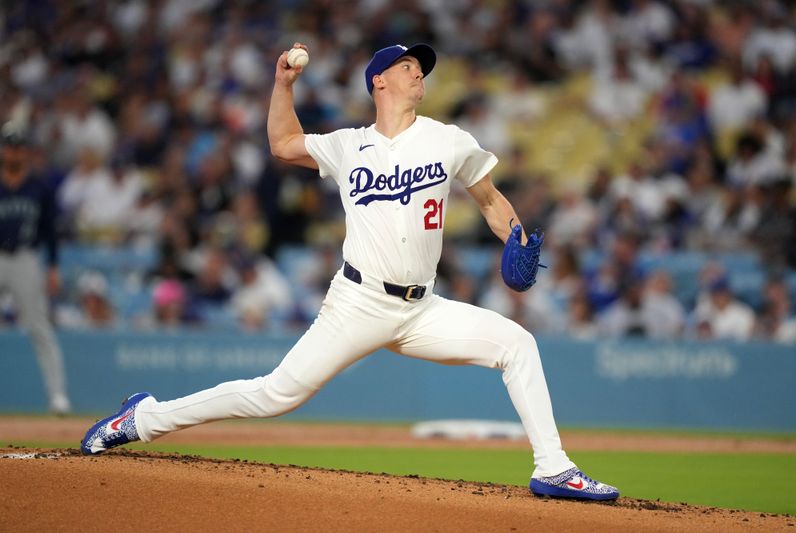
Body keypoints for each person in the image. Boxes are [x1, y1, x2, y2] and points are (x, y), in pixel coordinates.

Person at [81, 43, 619, 501]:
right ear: (379, 81)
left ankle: (553, 467)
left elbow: (489, 198)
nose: (419, 72)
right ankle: (143, 418)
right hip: (358, 303)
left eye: (421, 68)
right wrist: (283, 85)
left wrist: (517, 234)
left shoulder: (448, 139)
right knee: (275, 395)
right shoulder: (347, 145)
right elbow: (282, 144)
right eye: (408, 66)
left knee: (517, 343)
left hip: (421, 308)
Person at [0, 122, 71, 414]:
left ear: (26, 151)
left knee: (39, 327)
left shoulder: (39, 186)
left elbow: (50, 231)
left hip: (26, 258)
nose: (14, 151)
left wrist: (53, 266)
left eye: (18, 146)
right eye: (9, 145)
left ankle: (57, 396)